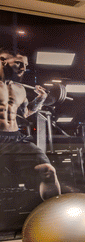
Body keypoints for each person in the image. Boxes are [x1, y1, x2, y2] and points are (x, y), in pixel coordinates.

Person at [0, 46, 61, 200]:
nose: (24, 68)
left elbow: (25, 112)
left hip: (15, 138)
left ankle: (53, 213)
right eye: (19, 63)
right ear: (3, 60)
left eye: (26, 65)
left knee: (48, 171)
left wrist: (40, 99)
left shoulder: (19, 88)